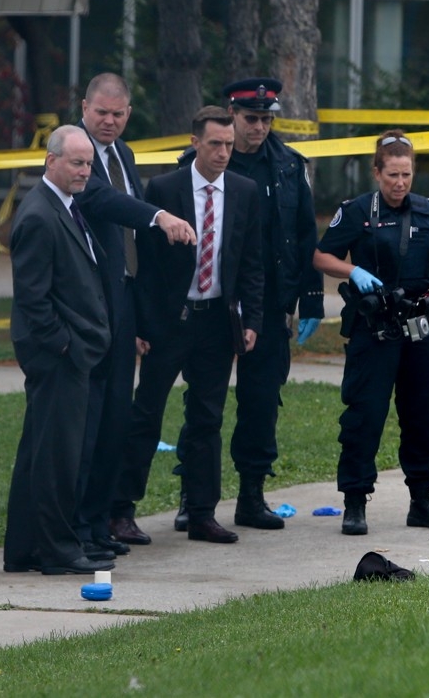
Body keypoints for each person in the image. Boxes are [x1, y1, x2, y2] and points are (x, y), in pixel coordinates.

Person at [172, 77, 324, 533]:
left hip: (269, 301)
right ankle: (192, 495)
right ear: (232, 117)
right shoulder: (199, 164)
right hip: (211, 300)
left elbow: (304, 234)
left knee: (261, 402)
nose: (258, 127)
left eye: (266, 119)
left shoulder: (289, 166)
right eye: (250, 119)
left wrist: (311, 297)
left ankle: (252, 494)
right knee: (204, 402)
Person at [110, 106, 265, 544]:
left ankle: (201, 512)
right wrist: (142, 323)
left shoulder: (244, 191)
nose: (223, 153)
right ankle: (121, 510)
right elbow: (146, 265)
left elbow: (250, 262)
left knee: (207, 419)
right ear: (195, 142)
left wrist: (250, 318)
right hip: (169, 322)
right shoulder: (165, 188)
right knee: (147, 414)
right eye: (215, 144)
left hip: (217, 323)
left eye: (229, 145)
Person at [313, 129, 429, 536]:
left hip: (422, 332)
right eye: (392, 176)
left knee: (425, 415)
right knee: (364, 415)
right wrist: (353, 271)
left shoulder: (426, 211)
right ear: (376, 172)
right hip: (377, 331)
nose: (400, 183)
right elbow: (321, 255)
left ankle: (422, 500)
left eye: (406, 175)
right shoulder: (355, 211)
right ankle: (355, 502)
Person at [72, 72, 197, 553]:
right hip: (89, 302)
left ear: (128, 115)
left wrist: (141, 320)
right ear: (84, 107)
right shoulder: (76, 153)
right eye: (100, 112)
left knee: (117, 417)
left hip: (123, 301)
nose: (108, 121)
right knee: (91, 419)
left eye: (117, 114)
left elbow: (133, 248)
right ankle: (81, 524)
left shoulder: (122, 154)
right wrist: (158, 215)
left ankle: (103, 519)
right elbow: (101, 201)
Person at [3, 125, 115, 575]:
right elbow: (33, 298)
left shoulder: (65, 206)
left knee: (40, 451)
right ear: (51, 161)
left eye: (88, 163)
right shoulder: (38, 215)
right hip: (57, 356)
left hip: (70, 353)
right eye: (76, 162)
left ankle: (24, 549)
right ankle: (58, 550)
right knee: (57, 458)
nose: (84, 171)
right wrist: (65, 344)